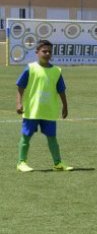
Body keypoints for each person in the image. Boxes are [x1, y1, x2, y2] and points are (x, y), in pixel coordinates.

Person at [15, 40, 73, 172]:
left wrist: (65, 106)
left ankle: (58, 163)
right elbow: (20, 86)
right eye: (44, 51)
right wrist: (18, 103)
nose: (47, 54)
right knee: (26, 136)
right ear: (37, 53)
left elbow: (61, 90)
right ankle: (21, 162)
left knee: (52, 138)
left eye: (49, 52)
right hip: (32, 111)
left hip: (49, 111)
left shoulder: (56, 71)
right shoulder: (30, 68)